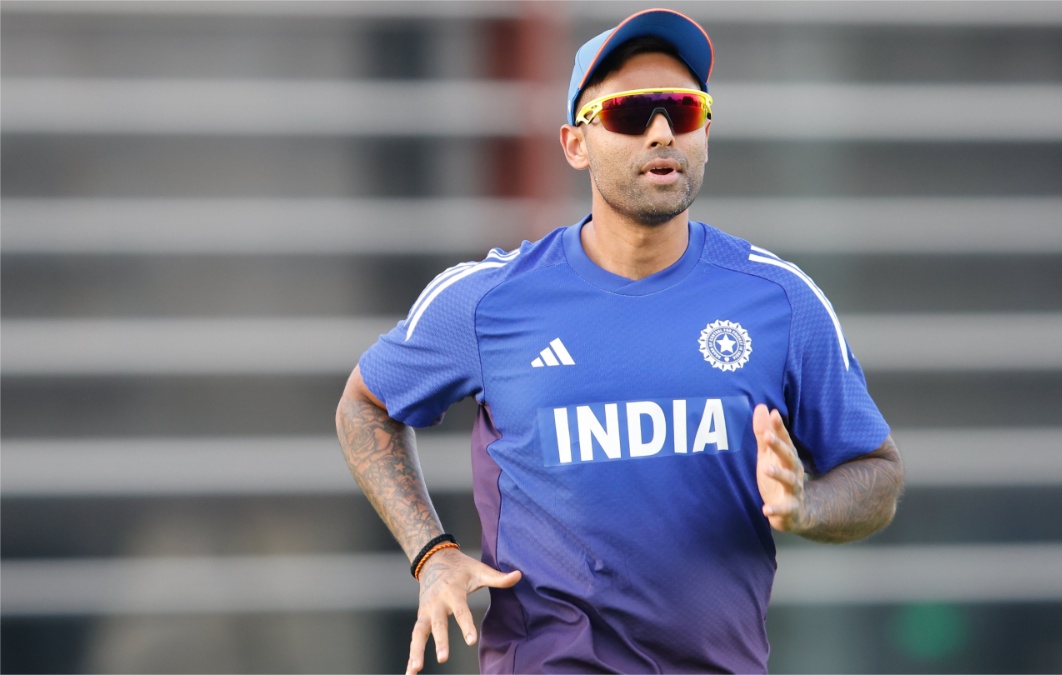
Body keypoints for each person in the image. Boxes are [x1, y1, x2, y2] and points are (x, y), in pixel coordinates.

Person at [336, 8, 904, 674]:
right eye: (631, 114)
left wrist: (807, 505)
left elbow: (877, 473)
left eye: (683, 112)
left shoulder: (780, 300)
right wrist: (431, 554)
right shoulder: (489, 298)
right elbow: (365, 404)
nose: (662, 132)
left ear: (706, 133)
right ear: (576, 144)